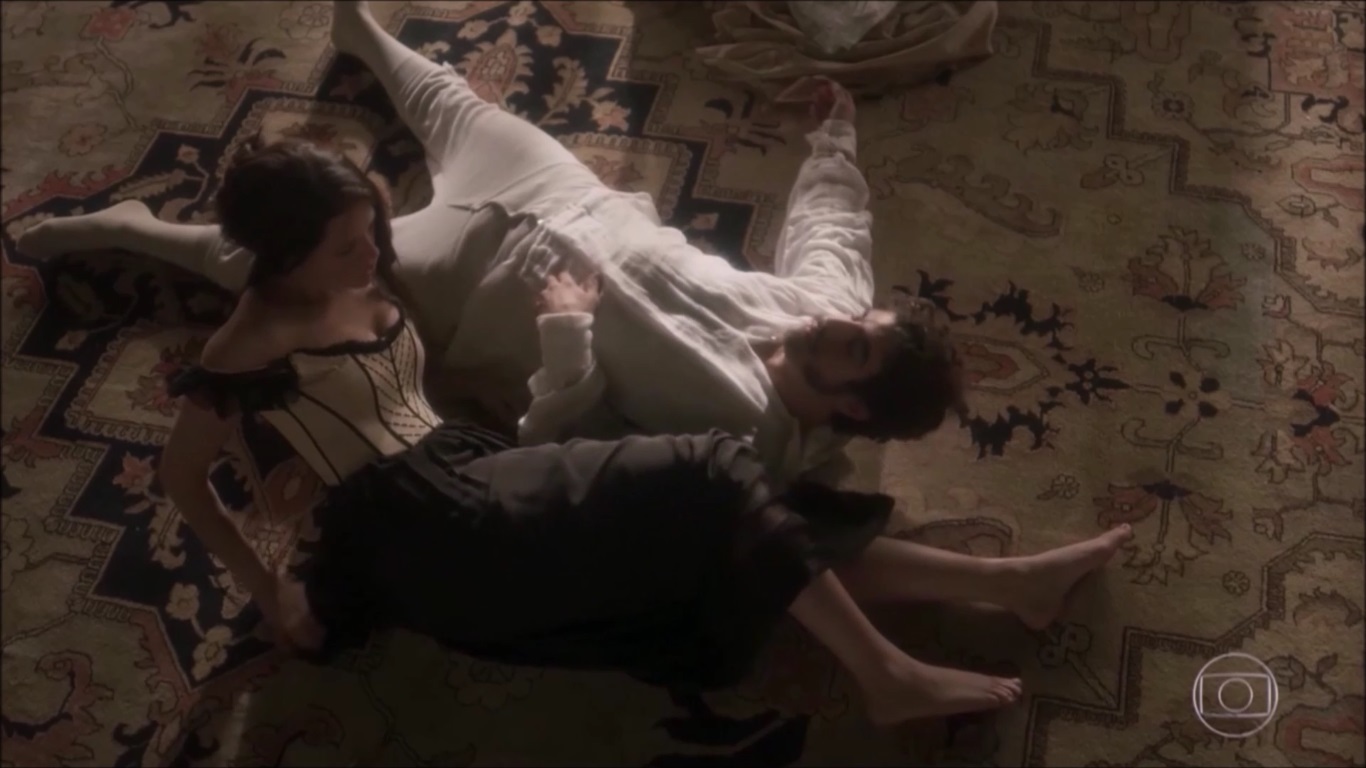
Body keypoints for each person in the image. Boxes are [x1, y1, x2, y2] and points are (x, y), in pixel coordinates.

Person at [149, 137, 1131, 726]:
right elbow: (182, 479)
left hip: (466, 470)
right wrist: (267, 585)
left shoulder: (364, 273)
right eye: (346, 245)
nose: (372, 253)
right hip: (414, 529)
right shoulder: (245, 348)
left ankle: (1012, 583)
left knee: (744, 517)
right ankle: (889, 675)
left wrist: (832, 139)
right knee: (715, 476)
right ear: (282, 255)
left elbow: (833, 242)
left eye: (372, 230)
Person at [17, 1, 960, 485]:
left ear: (853, 408)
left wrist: (568, 335)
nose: (837, 320)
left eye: (854, 345)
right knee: (458, 107)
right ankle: (364, 34)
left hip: (470, 287)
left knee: (280, 272)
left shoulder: (740, 441)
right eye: (860, 320)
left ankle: (136, 231)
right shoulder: (820, 308)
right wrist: (833, 137)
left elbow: (568, 445)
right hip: (565, 196)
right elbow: (834, 230)